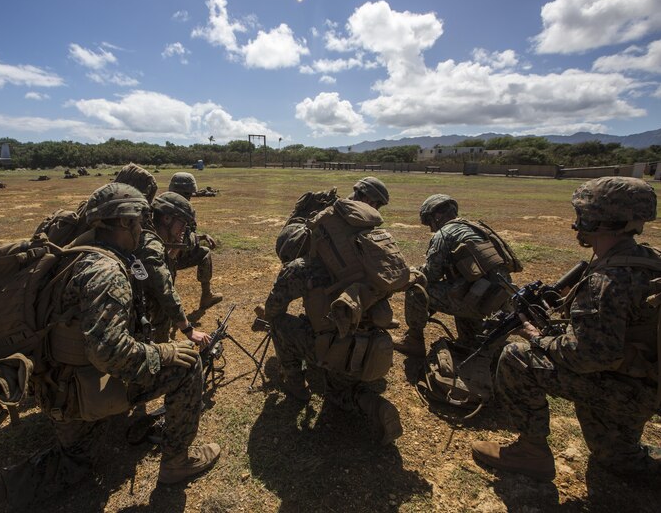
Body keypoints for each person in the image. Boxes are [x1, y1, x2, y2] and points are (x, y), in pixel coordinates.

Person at [0, 184, 219, 513]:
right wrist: (166, 352)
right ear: (124, 223)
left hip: (55, 390)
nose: (143, 228)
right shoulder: (106, 272)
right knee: (186, 366)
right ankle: (177, 462)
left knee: (74, 462)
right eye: (139, 222)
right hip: (80, 393)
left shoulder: (72, 255)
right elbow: (110, 353)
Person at [472, 177, 661, 481]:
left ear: (595, 219)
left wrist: (539, 337)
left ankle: (531, 453)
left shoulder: (607, 281)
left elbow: (587, 356)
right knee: (616, 461)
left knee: (516, 358)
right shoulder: (649, 259)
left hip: (626, 389)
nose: (577, 222)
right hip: (645, 381)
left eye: (582, 214)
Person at [262, 197, 404, 446]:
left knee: (280, 324)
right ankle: (375, 404)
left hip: (338, 349)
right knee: (342, 389)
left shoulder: (299, 267)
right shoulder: (362, 264)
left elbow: (273, 308)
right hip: (374, 347)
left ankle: (295, 383)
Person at [395, 194, 520, 357]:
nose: (431, 229)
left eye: (429, 222)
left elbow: (431, 274)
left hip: (479, 299)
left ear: (437, 216)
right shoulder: (475, 228)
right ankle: (473, 339)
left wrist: (413, 271)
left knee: (417, 289)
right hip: (499, 300)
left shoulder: (445, 233)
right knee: (459, 288)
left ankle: (413, 341)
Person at [134, 190, 211, 344]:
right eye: (182, 224)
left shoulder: (151, 236)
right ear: (167, 218)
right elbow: (165, 290)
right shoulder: (150, 246)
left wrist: (175, 247)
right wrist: (189, 330)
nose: (183, 230)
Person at [167, 172, 223, 310]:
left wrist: (201, 236)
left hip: (155, 258)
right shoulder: (185, 211)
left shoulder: (159, 205)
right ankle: (206, 296)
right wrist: (197, 239)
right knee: (204, 252)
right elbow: (185, 243)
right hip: (169, 260)